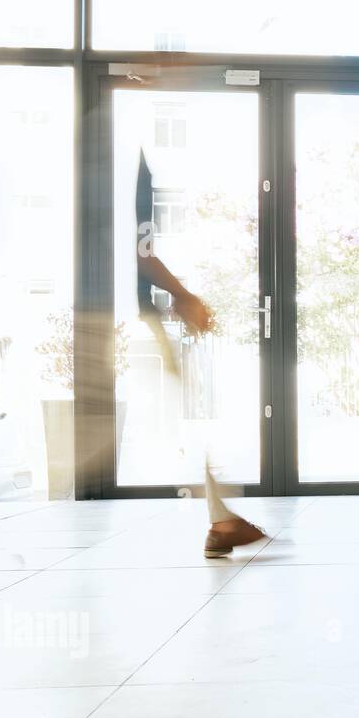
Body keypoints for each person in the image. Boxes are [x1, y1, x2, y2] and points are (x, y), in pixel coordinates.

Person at [135, 151, 266, 558]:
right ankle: (221, 521)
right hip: (130, 320)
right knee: (182, 427)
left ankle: (221, 522)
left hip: (135, 316)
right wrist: (183, 294)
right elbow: (139, 252)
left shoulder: (129, 164)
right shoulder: (129, 167)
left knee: (187, 426)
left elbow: (137, 249)